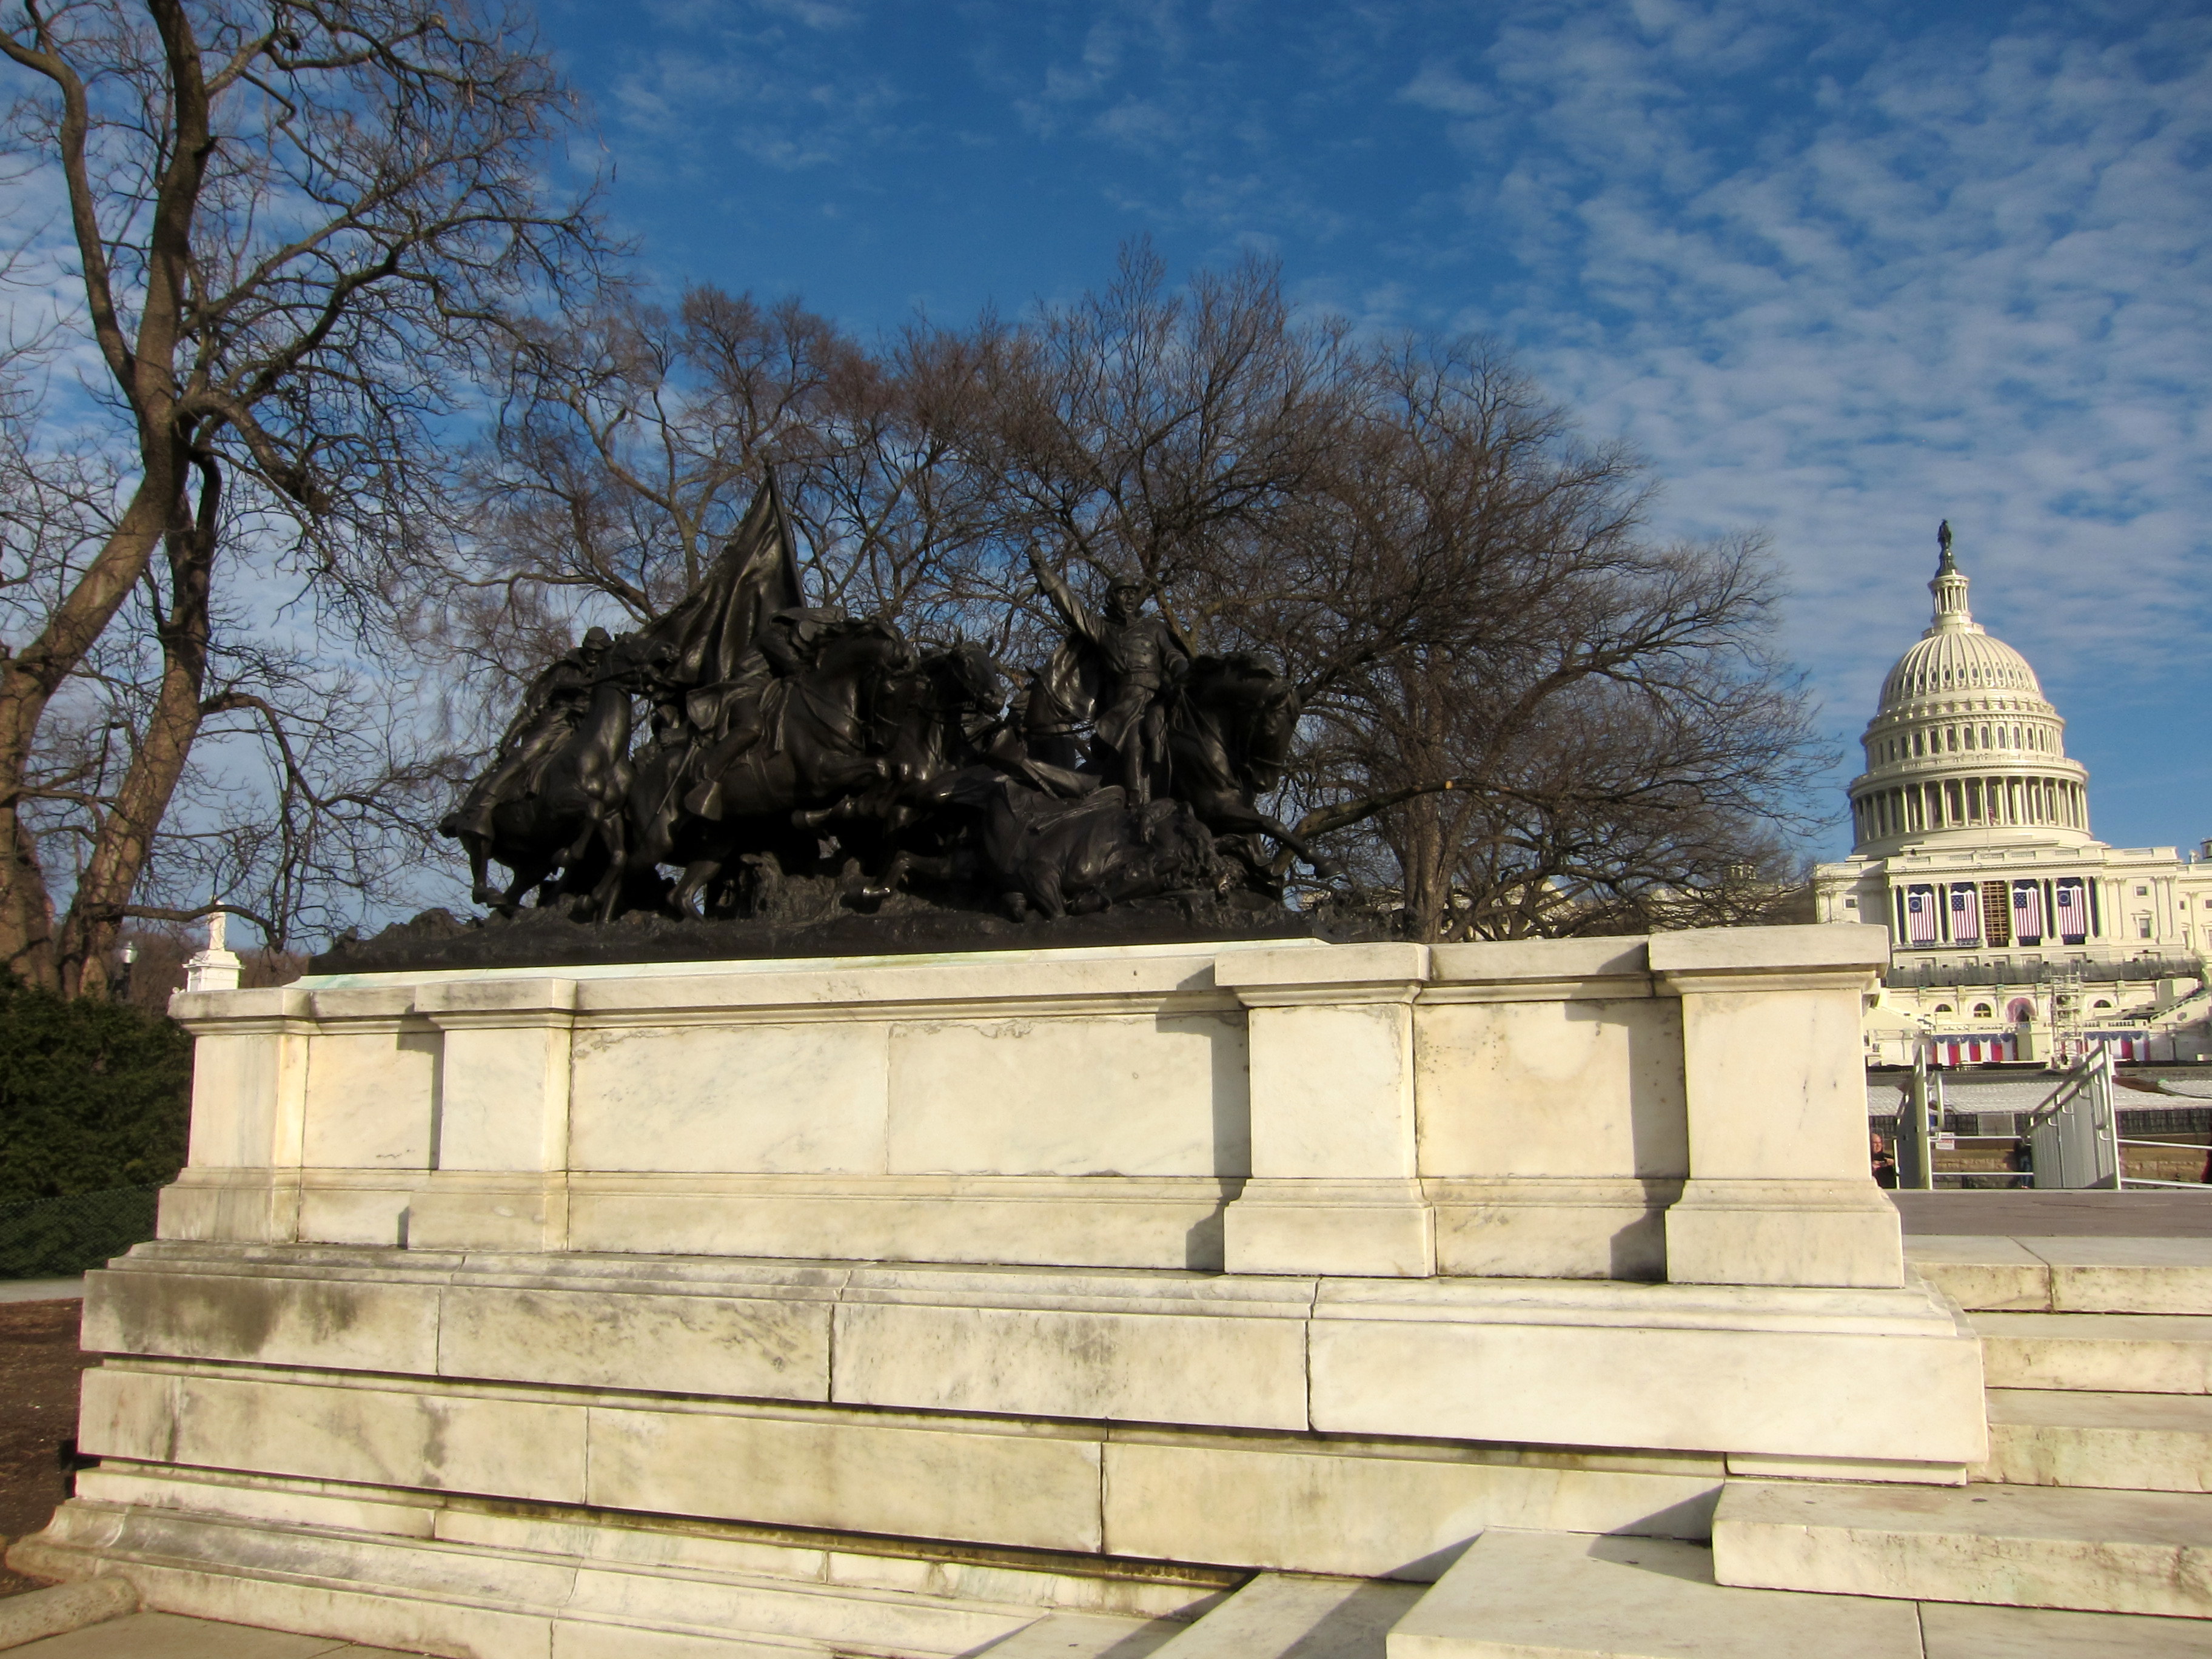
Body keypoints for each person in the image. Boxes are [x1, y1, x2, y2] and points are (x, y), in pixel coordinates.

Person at [1027, 548, 1188, 803]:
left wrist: (1182, 671)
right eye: (1123, 593)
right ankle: (1137, 803)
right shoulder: (1104, 630)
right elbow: (1072, 608)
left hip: (1160, 698)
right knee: (1135, 739)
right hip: (1126, 704)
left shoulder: (1154, 627)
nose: (1129, 598)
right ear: (1112, 597)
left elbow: (1172, 655)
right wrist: (1044, 570)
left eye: (1133, 593)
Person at [448, 626, 616, 838]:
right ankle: (481, 809)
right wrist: (512, 735)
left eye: (598, 650)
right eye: (590, 649)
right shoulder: (563, 671)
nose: (593, 654)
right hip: (557, 724)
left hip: (589, 728)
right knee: (526, 755)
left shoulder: (609, 673)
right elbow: (534, 706)